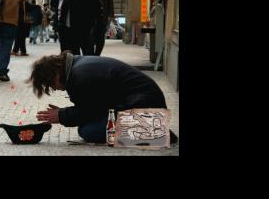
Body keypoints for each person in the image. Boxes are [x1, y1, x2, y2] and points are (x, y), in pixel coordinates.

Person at [27, 51, 172, 143]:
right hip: (138, 103)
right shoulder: (76, 67)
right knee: (87, 127)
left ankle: (154, 130)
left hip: (146, 109)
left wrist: (62, 115)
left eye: (51, 84)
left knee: (89, 131)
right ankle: (152, 127)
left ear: (54, 73)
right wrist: (63, 113)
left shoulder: (80, 77)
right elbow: (94, 105)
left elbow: (92, 110)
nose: (55, 89)